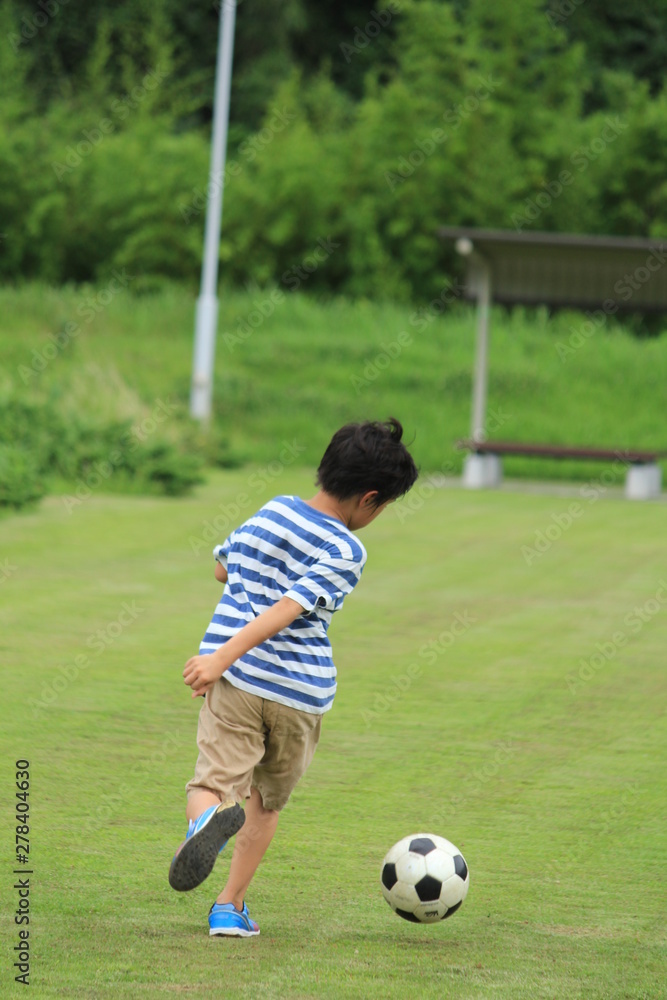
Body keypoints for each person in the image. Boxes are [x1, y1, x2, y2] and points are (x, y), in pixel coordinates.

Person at [168, 417, 418, 937]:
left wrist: (220, 657)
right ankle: (228, 908)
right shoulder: (348, 550)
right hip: (300, 696)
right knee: (266, 802)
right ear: (369, 499)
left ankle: (202, 824)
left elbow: (223, 569)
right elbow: (292, 606)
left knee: (212, 785)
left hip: (238, 682)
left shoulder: (275, 508)